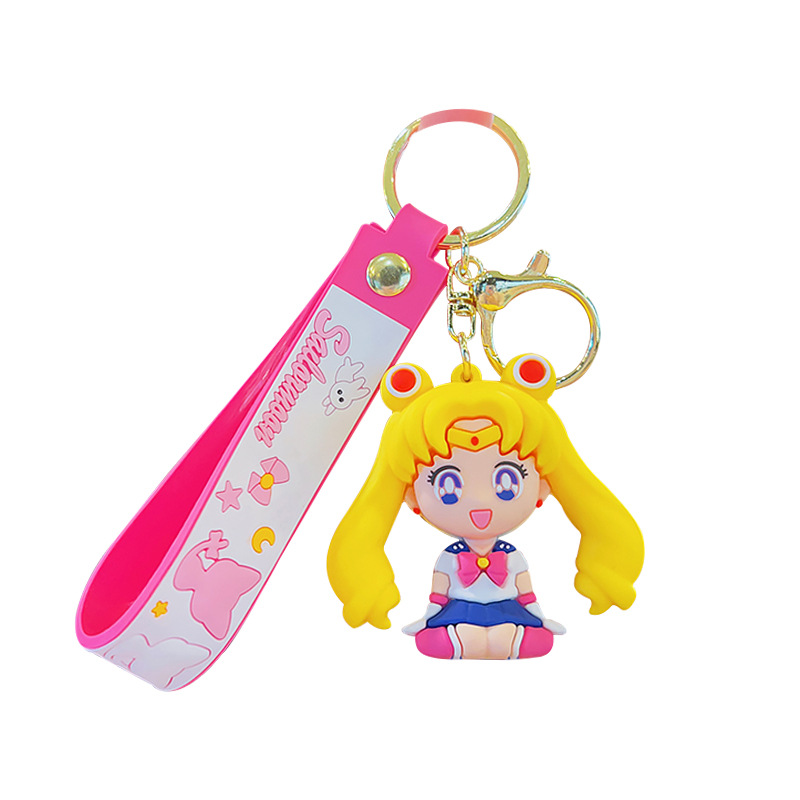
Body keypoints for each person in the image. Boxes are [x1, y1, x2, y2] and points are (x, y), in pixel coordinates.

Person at [327, 355, 644, 659]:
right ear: (412, 497)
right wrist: (426, 620)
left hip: (509, 611)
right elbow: (438, 598)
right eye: (447, 486)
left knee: (535, 638)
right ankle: (473, 639)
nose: (480, 502)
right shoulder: (450, 560)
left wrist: (541, 619)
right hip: (459, 613)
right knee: (434, 639)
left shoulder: (512, 558)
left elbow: (527, 596)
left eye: (508, 481)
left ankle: (493, 639)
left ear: (543, 486)